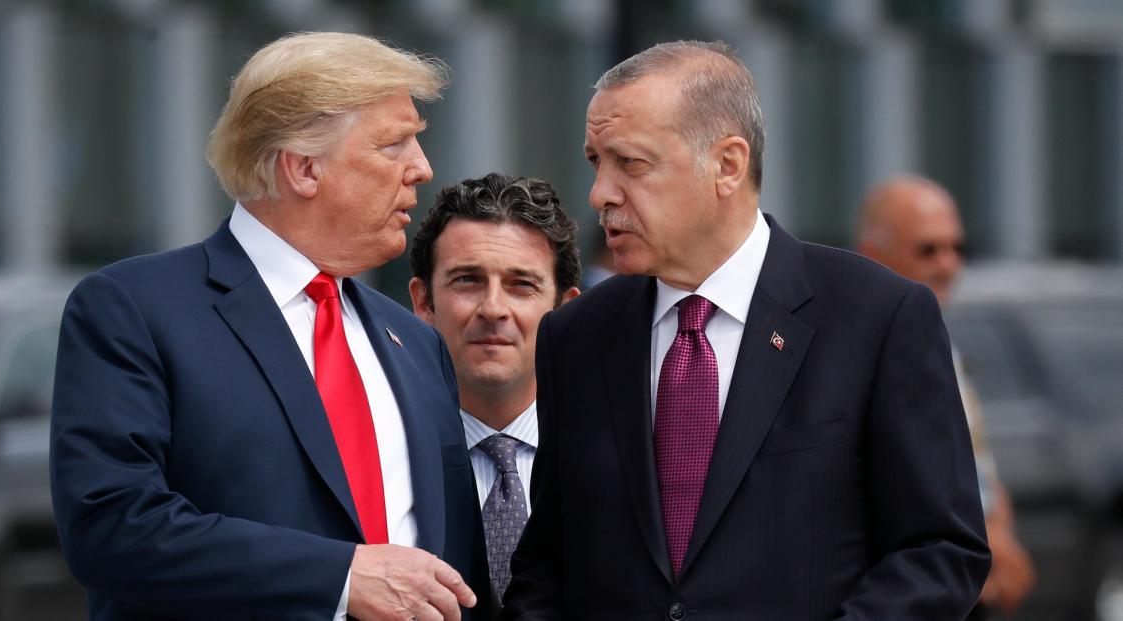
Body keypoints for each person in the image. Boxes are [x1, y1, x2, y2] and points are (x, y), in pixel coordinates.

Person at [503, 40, 990, 620]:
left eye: (630, 163)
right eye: (595, 162)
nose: (600, 194)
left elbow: (938, 549)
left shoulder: (877, 316)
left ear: (727, 166)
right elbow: (548, 565)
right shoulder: (575, 337)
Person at [50, 32, 490, 621]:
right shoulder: (133, 310)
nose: (422, 168)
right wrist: (340, 576)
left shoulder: (413, 340)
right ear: (304, 168)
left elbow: (454, 565)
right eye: (395, 144)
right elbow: (111, 527)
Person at [857, 175, 1037, 619]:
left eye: (956, 248)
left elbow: (973, 460)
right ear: (873, 254)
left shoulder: (940, 341)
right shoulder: (857, 348)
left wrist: (997, 527)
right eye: (927, 249)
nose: (948, 264)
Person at [407, 173, 581, 606]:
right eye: (467, 280)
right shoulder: (385, 456)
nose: (493, 309)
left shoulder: (617, 454)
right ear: (424, 303)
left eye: (522, 284)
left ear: (567, 310)